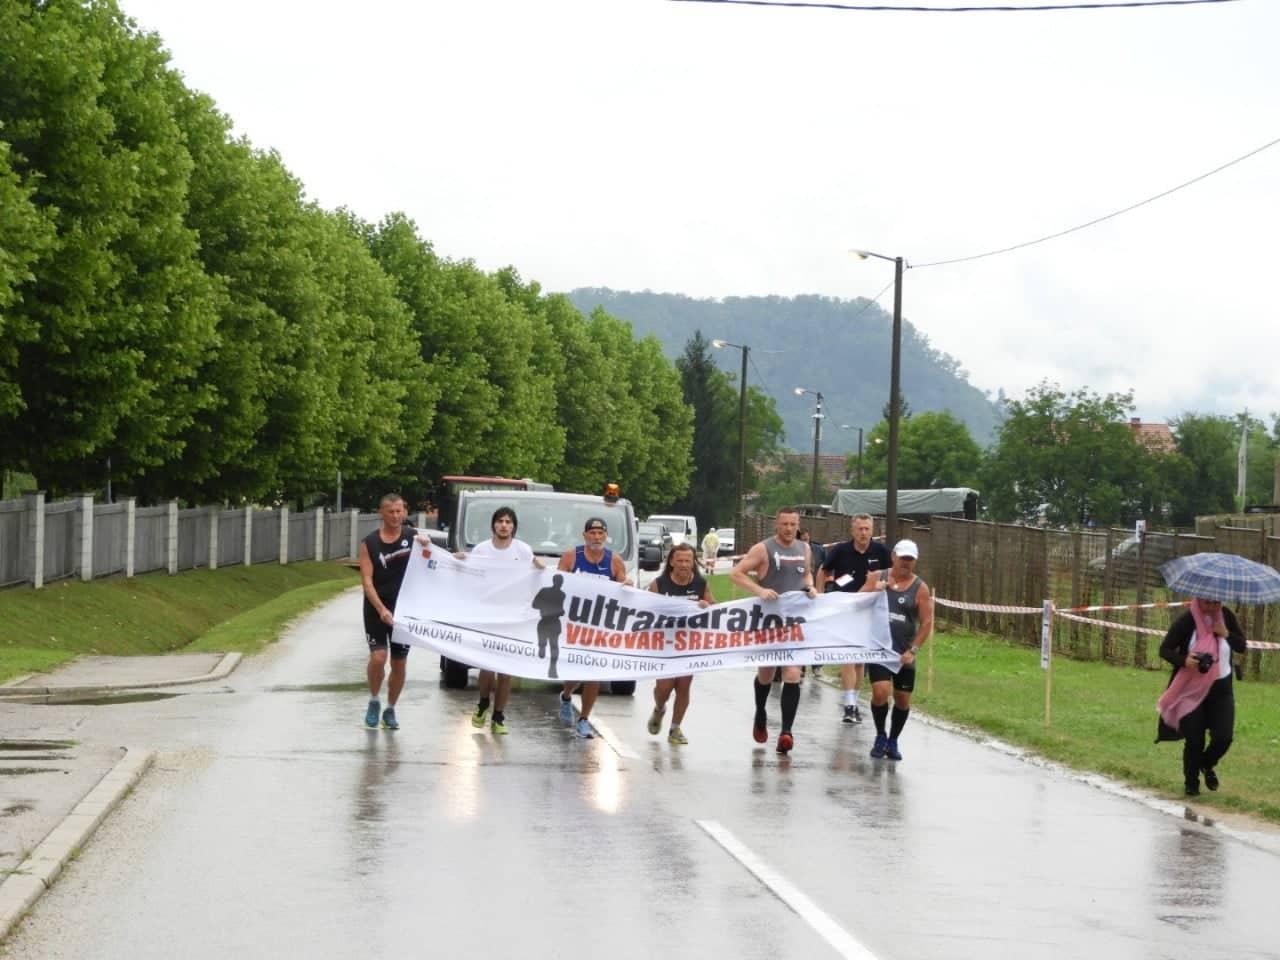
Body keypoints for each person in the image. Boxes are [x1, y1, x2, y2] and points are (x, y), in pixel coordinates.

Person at [730, 506, 818, 755]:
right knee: (766, 674)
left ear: (798, 525)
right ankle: (760, 713)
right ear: (776, 525)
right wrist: (760, 591)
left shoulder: (805, 548)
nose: (789, 529)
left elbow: (807, 574)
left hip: (793, 624)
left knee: (792, 674)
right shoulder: (763, 548)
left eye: (793, 524)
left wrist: (810, 587)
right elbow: (736, 574)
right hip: (768, 623)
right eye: (785, 524)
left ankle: (786, 733)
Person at [1156, 598, 1247, 796]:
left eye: (1216, 603)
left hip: (1221, 689)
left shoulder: (1226, 617)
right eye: (1208, 603)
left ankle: (1206, 764)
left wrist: (1226, 633)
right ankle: (1191, 784)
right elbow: (1164, 649)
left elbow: (1241, 646)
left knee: (1224, 737)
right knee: (1195, 740)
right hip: (1191, 689)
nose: (1213, 607)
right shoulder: (1187, 620)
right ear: (1199, 599)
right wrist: (1184, 660)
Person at [467, 507, 541, 736]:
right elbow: (468, 574)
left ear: (514, 527)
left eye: (508, 522)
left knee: (506, 670)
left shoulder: (523, 550)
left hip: (513, 618)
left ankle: (499, 715)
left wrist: (540, 569)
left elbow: (536, 577)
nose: (504, 525)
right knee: (487, 666)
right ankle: (483, 703)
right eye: (500, 521)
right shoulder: (481, 550)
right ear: (493, 525)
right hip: (488, 617)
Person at [557, 516, 629, 738]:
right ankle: (567, 695)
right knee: (576, 672)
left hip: (600, 625)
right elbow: (557, 582)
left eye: (601, 534)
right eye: (593, 533)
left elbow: (624, 587)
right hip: (575, 624)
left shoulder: (614, 561)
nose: (597, 537)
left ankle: (584, 719)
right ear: (585, 535)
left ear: (606, 536)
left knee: (594, 672)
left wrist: (627, 586)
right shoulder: (572, 556)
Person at [818, 513, 892, 724]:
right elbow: (823, 571)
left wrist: (885, 585)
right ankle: (849, 705)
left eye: (867, 529)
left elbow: (893, 573)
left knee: (860, 660)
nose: (863, 533)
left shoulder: (880, 552)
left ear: (873, 530)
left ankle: (854, 702)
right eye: (860, 529)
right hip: (845, 609)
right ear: (853, 530)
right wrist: (820, 596)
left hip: (869, 610)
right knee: (847, 656)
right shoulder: (841, 550)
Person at [867, 539, 933, 762]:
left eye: (910, 560)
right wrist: (873, 593)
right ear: (893, 556)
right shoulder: (878, 577)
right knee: (880, 692)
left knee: (902, 699)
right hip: (879, 649)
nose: (905, 563)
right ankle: (880, 735)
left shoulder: (920, 588)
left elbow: (926, 623)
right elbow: (855, 602)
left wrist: (913, 650)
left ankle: (893, 739)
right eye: (902, 558)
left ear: (915, 561)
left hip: (903, 652)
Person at [358, 494, 418, 731]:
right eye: (391, 511)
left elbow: (438, 561)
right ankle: (374, 700)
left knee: (399, 663)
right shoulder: (369, 543)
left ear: (405, 512)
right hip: (376, 608)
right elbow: (367, 581)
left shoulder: (413, 537)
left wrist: (459, 558)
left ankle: (390, 709)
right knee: (378, 657)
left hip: (404, 610)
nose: (396, 516)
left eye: (399, 511)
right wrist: (381, 609)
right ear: (381, 513)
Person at [646, 543, 715, 745]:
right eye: (680, 560)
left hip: (688, 644)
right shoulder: (659, 584)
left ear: (693, 563)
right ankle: (659, 709)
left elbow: (716, 609)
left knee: (683, 686)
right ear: (672, 562)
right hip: (665, 643)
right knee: (664, 688)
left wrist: (706, 606)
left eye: (688, 561)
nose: (684, 565)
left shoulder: (701, 584)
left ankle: (675, 728)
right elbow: (645, 609)